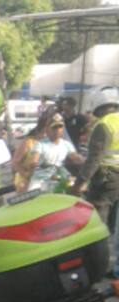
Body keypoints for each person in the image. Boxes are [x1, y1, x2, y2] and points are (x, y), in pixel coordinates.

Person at [70, 85, 119, 226]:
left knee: (97, 221)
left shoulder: (104, 124)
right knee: (113, 222)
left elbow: (94, 159)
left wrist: (79, 183)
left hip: (106, 180)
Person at [25, 113, 84, 192]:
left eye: (60, 127)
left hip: (59, 176)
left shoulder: (66, 144)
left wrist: (86, 161)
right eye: (54, 127)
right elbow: (34, 159)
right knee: (33, 194)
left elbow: (75, 157)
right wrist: (34, 163)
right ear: (47, 129)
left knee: (77, 188)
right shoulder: (40, 144)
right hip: (41, 178)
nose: (57, 130)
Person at [12, 111, 49, 192]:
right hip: (26, 184)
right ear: (42, 128)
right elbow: (15, 162)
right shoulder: (28, 142)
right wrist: (26, 175)